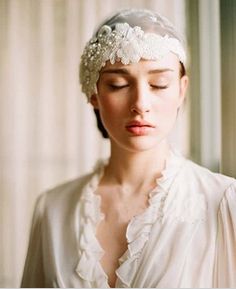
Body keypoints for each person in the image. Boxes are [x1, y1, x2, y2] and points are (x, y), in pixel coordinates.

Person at [21, 8, 236, 288]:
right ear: (94, 95)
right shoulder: (52, 208)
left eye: (159, 84)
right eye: (118, 84)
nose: (140, 104)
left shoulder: (222, 201)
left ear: (181, 90)